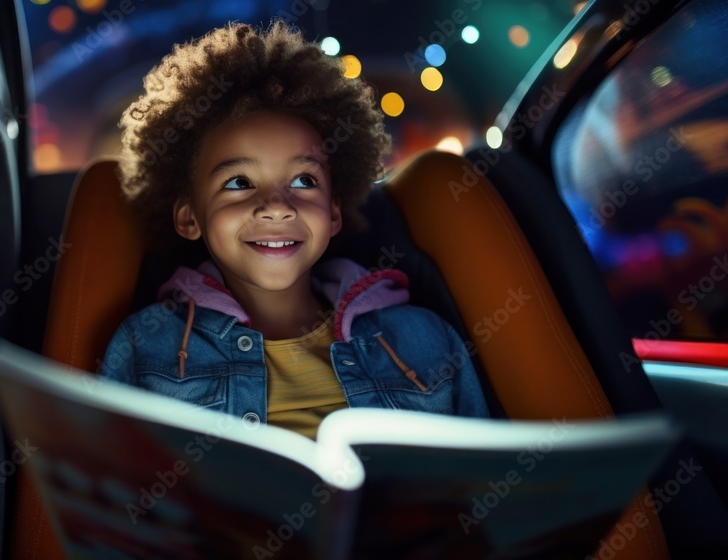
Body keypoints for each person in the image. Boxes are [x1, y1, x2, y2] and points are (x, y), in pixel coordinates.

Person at [100, 22, 489, 439]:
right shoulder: (145, 346)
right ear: (189, 218)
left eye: (303, 181)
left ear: (334, 212)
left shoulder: (424, 338)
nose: (276, 206)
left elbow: (487, 486)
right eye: (238, 183)